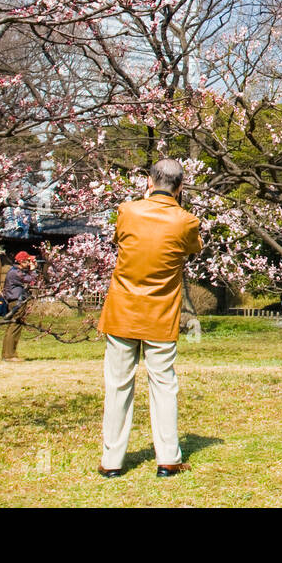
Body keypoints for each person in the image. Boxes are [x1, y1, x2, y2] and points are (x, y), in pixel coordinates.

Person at [96, 158, 202, 478]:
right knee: (163, 385)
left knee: (117, 386)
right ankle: (168, 459)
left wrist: (144, 198)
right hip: (160, 314)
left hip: (123, 311)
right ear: (181, 187)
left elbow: (120, 240)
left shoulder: (127, 211)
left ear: (149, 181)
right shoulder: (187, 221)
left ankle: (112, 461)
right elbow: (192, 249)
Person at [0, 251, 34, 361]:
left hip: (15, 301)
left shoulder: (14, 271)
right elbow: (30, 280)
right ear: (21, 261)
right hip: (17, 302)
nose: (29, 263)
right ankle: (10, 355)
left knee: (12, 326)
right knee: (15, 327)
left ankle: (7, 354)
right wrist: (33, 270)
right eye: (28, 261)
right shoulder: (16, 273)